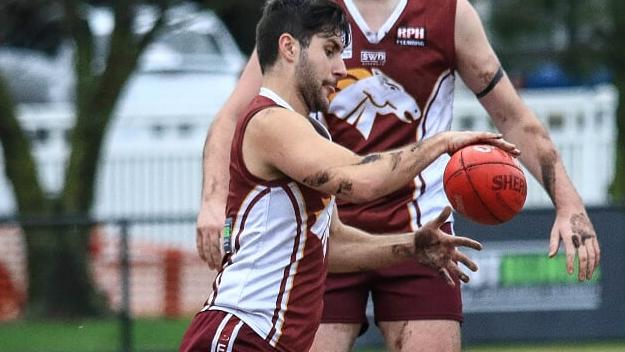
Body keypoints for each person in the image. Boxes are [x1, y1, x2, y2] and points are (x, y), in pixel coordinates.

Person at [196, 0, 601, 351]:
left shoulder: (448, 14)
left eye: (342, 52)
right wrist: (213, 201)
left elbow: (513, 116)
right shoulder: (306, 19)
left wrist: (569, 203)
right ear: (289, 48)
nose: (339, 67)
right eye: (333, 51)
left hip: (400, 227)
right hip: (319, 232)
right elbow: (238, 116)